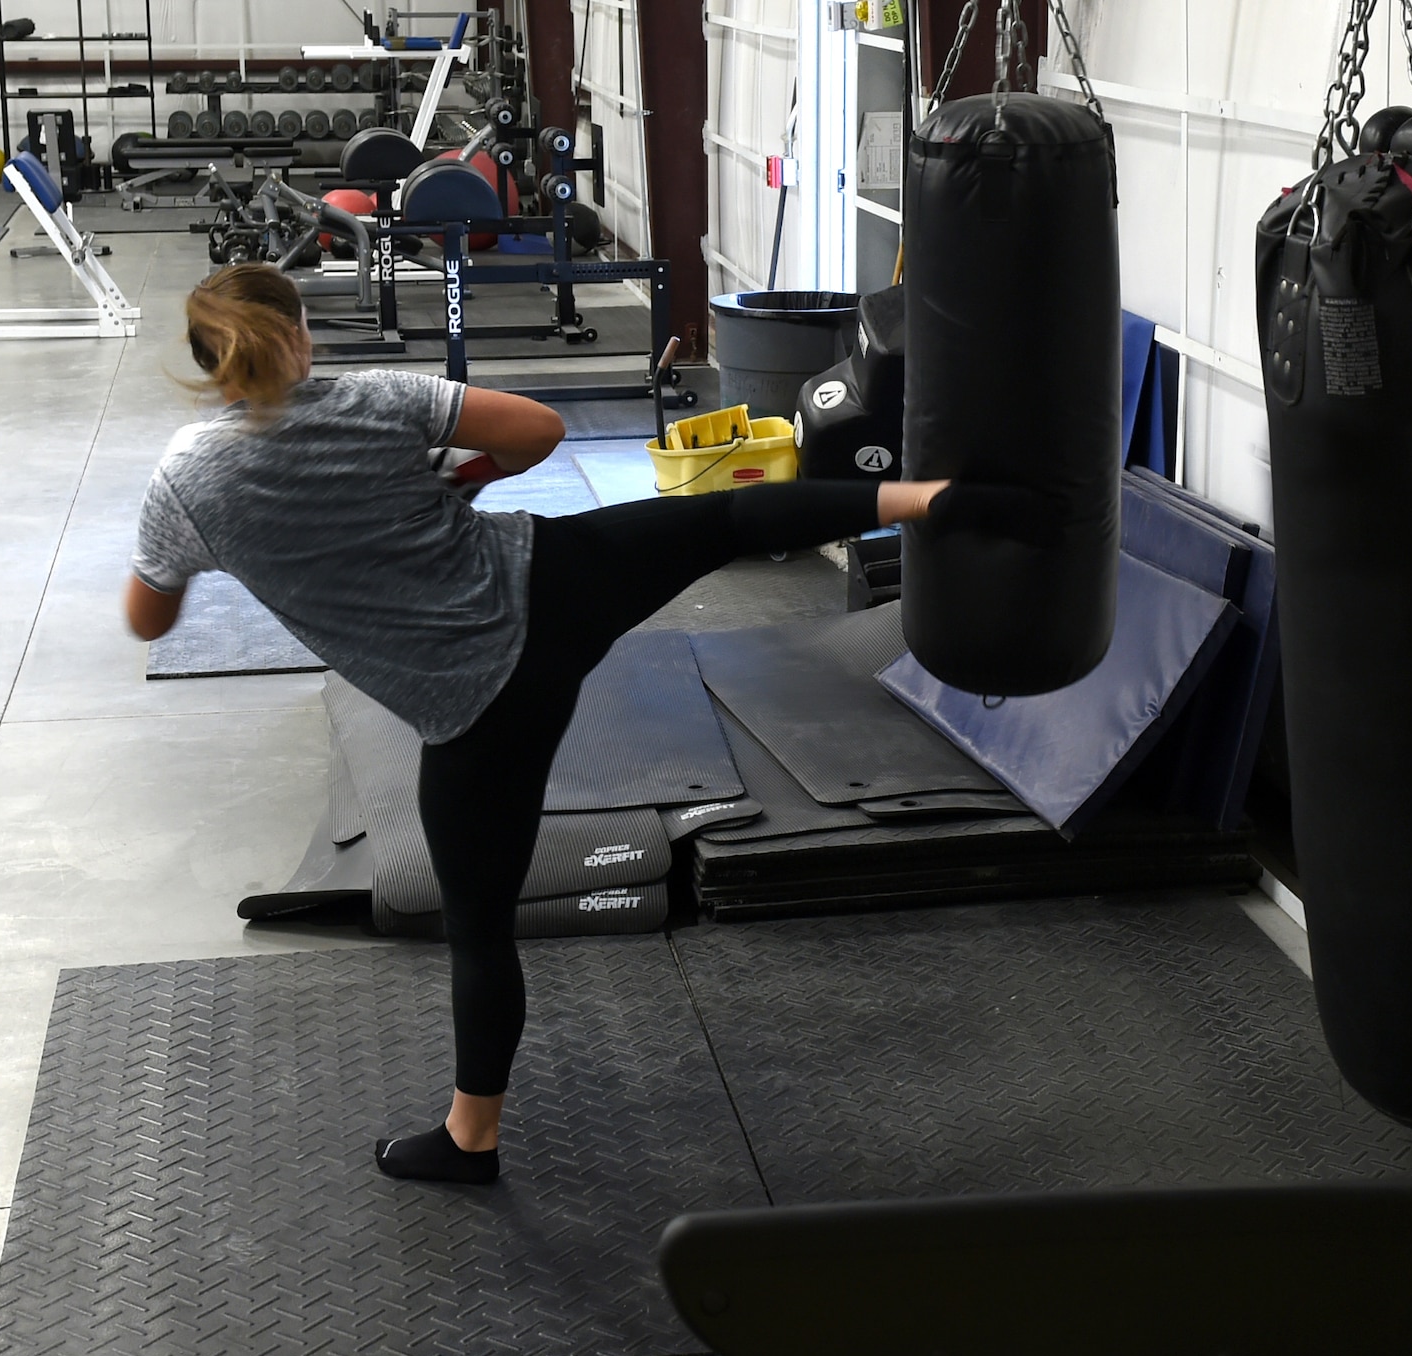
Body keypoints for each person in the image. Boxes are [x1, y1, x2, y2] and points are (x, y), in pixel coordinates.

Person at [127, 263, 952, 1184]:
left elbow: (149, 618)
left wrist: (230, 552)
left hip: (476, 709)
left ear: (210, 364)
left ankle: (470, 1137)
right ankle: (923, 499)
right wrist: (458, 479)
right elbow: (539, 431)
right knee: (725, 518)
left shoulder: (187, 481)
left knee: (480, 931)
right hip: (555, 585)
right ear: (301, 336)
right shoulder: (379, 398)